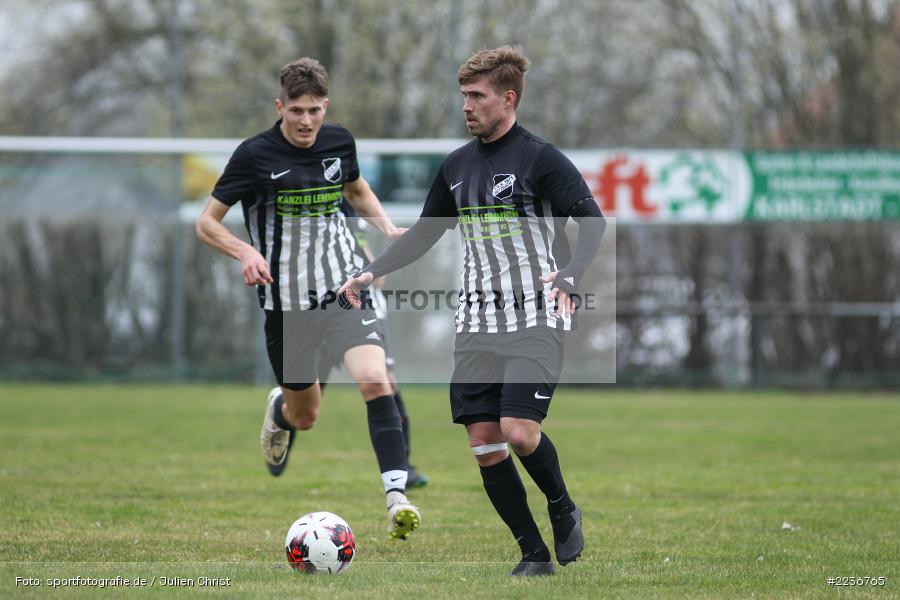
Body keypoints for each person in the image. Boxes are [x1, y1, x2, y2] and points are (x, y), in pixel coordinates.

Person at [339, 46, 605, 575]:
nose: (467, 105)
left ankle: (562, 506)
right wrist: (372, 271)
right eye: (464, 95)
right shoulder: (457, 166)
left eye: (477, 96)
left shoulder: (540, 159)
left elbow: (592, 221)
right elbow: (424, 234)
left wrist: (572, 274)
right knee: (484, 443)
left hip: (536, 313)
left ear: (508, 99)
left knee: (519, 431)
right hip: (476, 322)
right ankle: (533, 554)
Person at [195, 57, 421, 540]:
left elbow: (356, 188)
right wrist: (244, 251)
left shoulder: (340, 141)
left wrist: (385, 228)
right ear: (280, 107)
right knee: (306, 417)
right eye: (295, 110)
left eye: (314, 110)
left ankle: (396, 498)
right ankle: (280, 410)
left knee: (375, 380)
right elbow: (206, 223)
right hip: (288, 308)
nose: (305, 120)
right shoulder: (254, 155)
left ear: (326, 107)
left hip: (344, 289)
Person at [317, 200, 430, 489]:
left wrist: (377, 268)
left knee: (386, 384)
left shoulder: (357, 215)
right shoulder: (323, 214)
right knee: (307, 400)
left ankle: (403, 465)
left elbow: (374, 274)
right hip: (321, 313)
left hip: (364, 312)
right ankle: (282, 431)